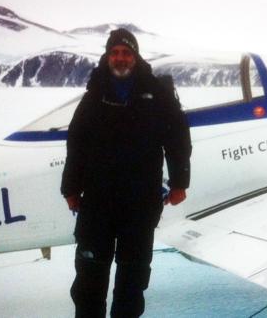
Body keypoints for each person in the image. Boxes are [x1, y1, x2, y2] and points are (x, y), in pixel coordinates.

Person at [60, 28, 191, 318]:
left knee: (132, 281)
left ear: (135, 56)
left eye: (126, 53)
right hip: (97, 201)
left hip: (140, 203)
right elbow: (76, 142)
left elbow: (177, 137)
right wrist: (70, 188)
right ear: (108, 57)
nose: (120, 58)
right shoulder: (95, 94)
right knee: (89, 281)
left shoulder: (156, 92)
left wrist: (180, 182)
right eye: (115, 53)